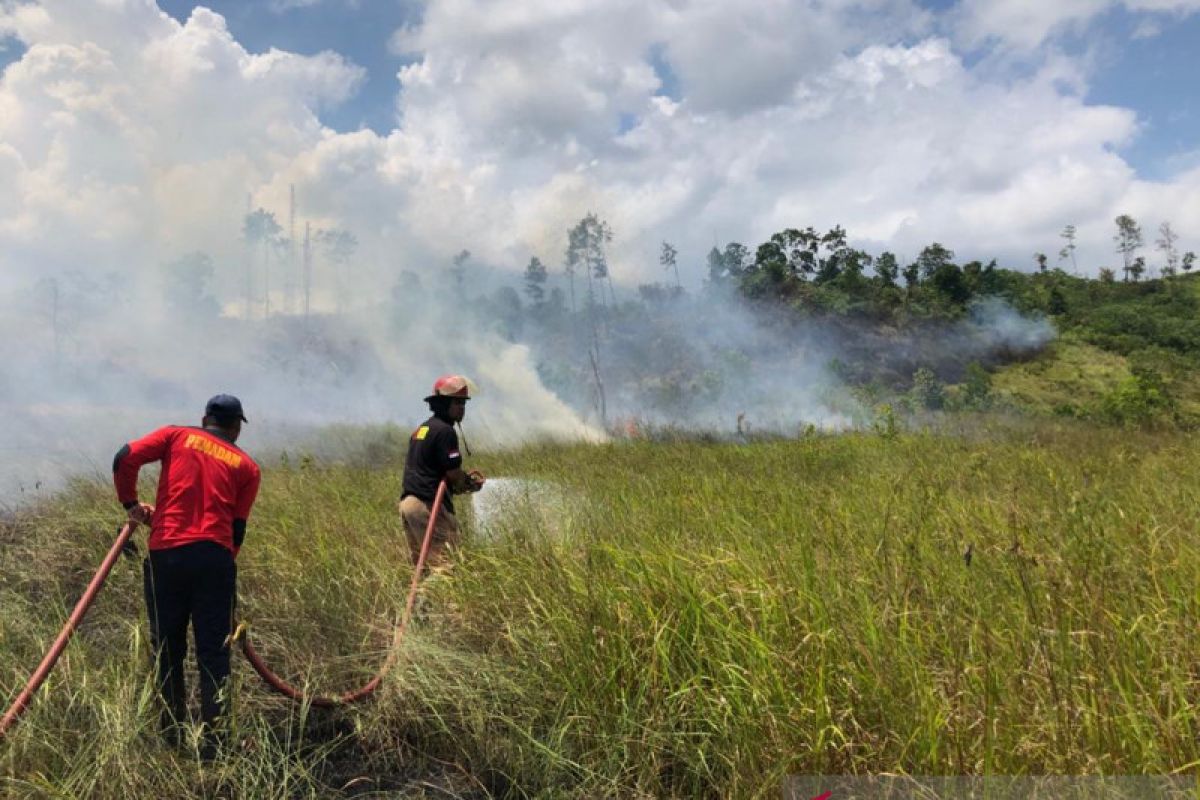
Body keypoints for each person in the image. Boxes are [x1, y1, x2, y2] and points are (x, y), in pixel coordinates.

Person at [112, 394, 261, 758]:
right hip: (214, 558)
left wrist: (130, 503)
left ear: (205, 418)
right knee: (214, 651)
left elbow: (124, 457)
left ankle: (171, 735)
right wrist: (222, 564)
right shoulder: (247, 466)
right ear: (236, 426)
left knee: (167, 646)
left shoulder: (175, 435)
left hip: (167, 554)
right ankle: (216, 743)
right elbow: (237, 529)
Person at [400, 375, 485, 571]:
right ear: (442, 404)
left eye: (463, 403)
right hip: (427, 506)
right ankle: (448, 604)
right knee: (445, 568)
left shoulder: (423, 429)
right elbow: (453, 473)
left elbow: (431, 470)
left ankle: (424, 601)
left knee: (422, 567)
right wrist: (469, 483)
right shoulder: (445, 431)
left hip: (408, 505)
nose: (462, 408)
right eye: (457, 403)